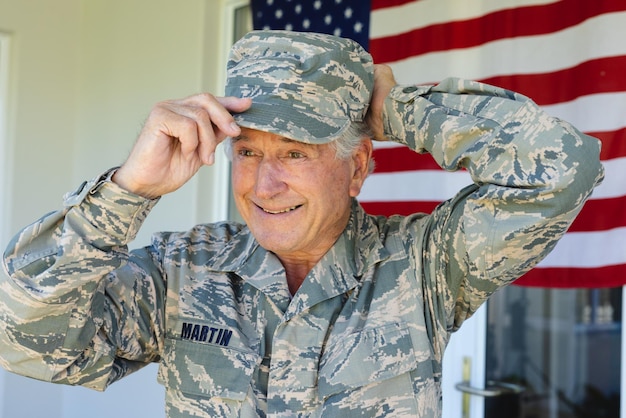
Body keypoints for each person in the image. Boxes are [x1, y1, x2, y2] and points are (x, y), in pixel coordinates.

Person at [0, 30, 603, 418]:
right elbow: (20, 336)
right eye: (249, 152)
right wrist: (127, 191)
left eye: (295, 153)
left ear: (358, 166)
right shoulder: (182, 272)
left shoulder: (425, 266)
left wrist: (401, 112)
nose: (265, 185)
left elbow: (563, 168)